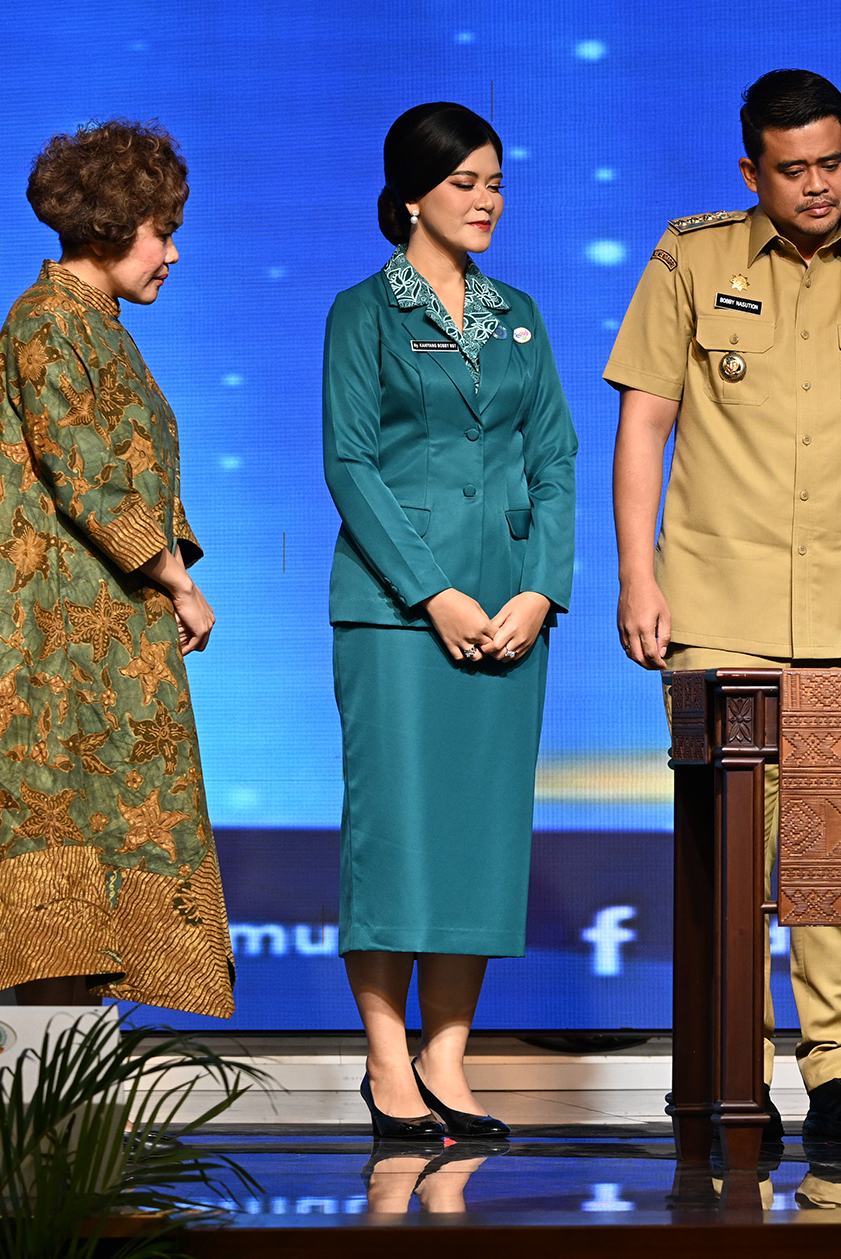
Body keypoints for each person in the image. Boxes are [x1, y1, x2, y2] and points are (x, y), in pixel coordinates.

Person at [606, 69, 841, 1148]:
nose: (815, 185)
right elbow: (645, 422)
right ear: (750, 172)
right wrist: (639, 574)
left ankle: (838, 1075)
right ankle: (732, 1071)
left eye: (831, 163)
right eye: (791, 170)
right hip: (717, 603)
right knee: (724, 862)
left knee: (839, 860)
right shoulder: (691, 258)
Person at [0, 120, 233, 1015]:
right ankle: (32, 1129)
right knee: (46, 848)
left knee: (91, 864)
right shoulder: (47, 322)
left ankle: (67, 1114)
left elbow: (140, 475)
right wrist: (178, 579)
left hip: (98, 643)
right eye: (160, 231)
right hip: (43, 647)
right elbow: (81, 466)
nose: (172, 252)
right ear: (109, 225)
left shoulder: (103, 329)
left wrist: (166, 572)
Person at [323, 102, 577, 1141]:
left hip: (508, 612)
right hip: (397, 613)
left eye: (495, 182)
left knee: (476, 836)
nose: (486, 201)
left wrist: (537, 589)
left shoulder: (517, 311)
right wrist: (434, 592)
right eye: (466, 183)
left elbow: (554, 458)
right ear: (413, 192)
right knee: (397, 838)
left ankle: (447, 1056)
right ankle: (387, 1064)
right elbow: (350, 464)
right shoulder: (361, 312)